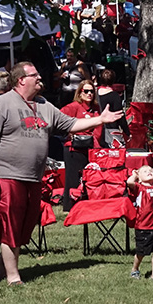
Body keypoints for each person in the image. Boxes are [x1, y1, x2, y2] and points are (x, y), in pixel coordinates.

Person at [0, 61, 124, 285]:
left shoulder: (44, 105)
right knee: (10, 222)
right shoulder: (2, 104)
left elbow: (71, 124)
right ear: (21, 80)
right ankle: (13, 277)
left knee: (25, 225)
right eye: (34, 75)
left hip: (34, 176)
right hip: (8, 175)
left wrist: (101, 120)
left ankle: (1, 269)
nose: (40, 78)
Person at [60, 80, 102, 210]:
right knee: (72, 179)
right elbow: (59, 119)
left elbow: (99, 129)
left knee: (89, 177)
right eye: (86, 91)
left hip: (90, 148)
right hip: (74, 148)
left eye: (91, 91)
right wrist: (70, 132)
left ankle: (86, 204)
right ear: (80, 92)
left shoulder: (96, 109)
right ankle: (70, 206)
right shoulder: (73, 107)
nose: (89, 94)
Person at [96, 68, 128, 147]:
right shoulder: (114, 96)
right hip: (111, 131)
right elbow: (119, 115)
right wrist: (127, 132)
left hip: (96, 129)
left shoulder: (94, 94)